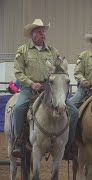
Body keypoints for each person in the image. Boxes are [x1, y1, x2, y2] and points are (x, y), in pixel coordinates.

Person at [12, 19, 78, 159]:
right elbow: (18, 72)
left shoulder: (53, 52)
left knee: (73, 111)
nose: (43, 34)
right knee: (18, 108)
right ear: (32, 34)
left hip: (51, 89)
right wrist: (30, 83)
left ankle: (69, 144)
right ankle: (18, 141)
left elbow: (60, 70)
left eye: (44, 31)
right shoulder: (22, 51)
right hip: (30, 89)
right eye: (39, 32)